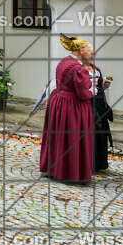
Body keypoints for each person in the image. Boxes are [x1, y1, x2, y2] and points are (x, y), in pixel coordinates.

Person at [39, 34, 95, 182]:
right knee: (72, 137)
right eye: (90, 51)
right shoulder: (78, 68)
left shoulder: (64, 61)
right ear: (81, 51)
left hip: (58, 101)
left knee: (59, 137)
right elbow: (83, 93)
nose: (92, 54)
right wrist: (93, 90)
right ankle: (71, 172)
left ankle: (54, 169)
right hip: (72, 105)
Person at [85, 48, 114, 172]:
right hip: (88, 104)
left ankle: (99, 163)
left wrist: (104, 85)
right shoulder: (81, 69)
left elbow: (100, 87)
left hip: (100, 104)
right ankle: (90, 163)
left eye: (94, 54)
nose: (92, 57)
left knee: (100, 132)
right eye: (90, 54)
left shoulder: (96, 70)